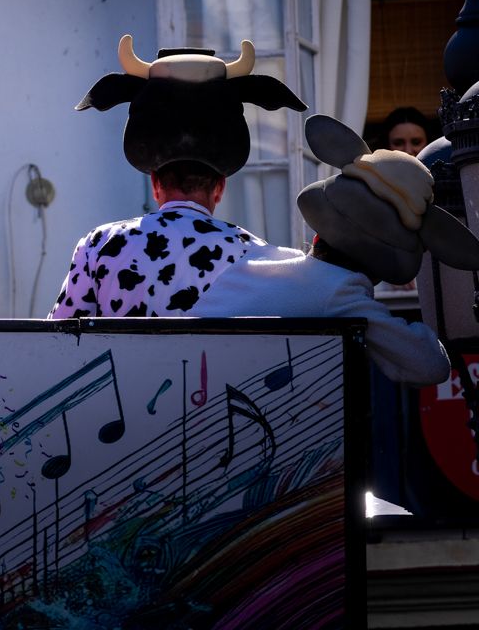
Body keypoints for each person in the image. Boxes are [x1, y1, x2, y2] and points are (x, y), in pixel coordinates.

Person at [193, 115, 479, 386]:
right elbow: (430, 366)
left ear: (320, 234)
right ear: (379, 266)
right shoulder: (340, 293)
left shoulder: (257, 260)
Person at [48, 35, 307, 318]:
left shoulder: (99, 245)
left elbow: (60, 337)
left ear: (155, 183)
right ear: (220, 187)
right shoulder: (254, 257)